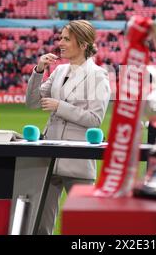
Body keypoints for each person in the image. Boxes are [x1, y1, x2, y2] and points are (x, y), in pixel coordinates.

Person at [26, 20, 111, 235]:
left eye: (66, 39)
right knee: (40, 227)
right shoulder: (59, 70)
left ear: (83, 44)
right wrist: (38, 71)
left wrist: (60, 106)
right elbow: (33, 102)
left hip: (77, 158)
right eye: (60, 37)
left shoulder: (98, 75)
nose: (60, 43)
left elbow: (94, 119)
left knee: (84, 227)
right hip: (49, 157)